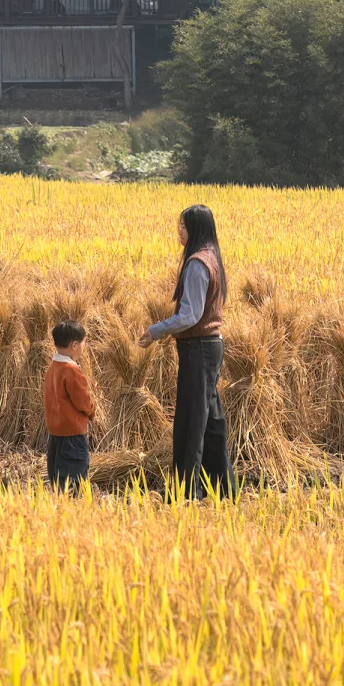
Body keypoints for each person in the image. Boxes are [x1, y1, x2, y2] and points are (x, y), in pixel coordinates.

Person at [139, 205, 236, 499]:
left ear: (195, 229)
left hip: (198, 348)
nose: (179, 232)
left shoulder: (196, 263)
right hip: (210, 347)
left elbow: (190, 315)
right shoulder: (212, 257)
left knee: (190, 423)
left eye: (183, 227)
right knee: (212, 423)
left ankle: (184, 494)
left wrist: (156, 330)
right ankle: (223, 490)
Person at [44, 319, 95, 491]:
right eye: (83, 343)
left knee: (58, 479)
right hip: (73, 435)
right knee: (73, 482)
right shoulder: (71, 371)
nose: (83, 347)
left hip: (55, 433)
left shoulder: (52, 368)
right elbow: (83, 401)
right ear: (74, 345)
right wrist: (92, 411)